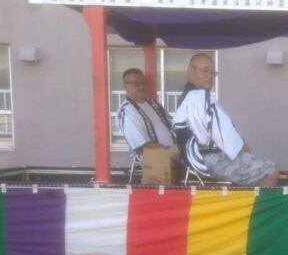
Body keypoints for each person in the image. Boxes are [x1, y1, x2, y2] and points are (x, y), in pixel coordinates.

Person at [173, 53, 279, 187]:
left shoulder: (186, 97)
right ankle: (257, 208)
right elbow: (221, 133)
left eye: (213, 72)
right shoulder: (201, 96)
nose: (210, 76)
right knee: (270, 170)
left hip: (196, 160)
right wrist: (241, 148)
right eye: (205, 71)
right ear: (191, 71)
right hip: (211, 160)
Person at [116, 68, 176, 158]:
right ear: (125, 85)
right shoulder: (126, 111)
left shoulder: (153, 103)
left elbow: (171, 123)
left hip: (172, 155)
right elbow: (141, 143)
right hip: (152, 160)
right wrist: (168, 151)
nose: (142, 87)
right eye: (137, 84)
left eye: (143, 83)